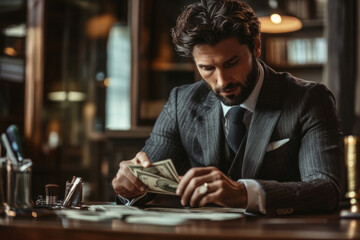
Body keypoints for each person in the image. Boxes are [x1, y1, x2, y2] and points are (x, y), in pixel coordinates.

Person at [112, 0, 345, 216]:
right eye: (207, 68)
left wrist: (244, 193)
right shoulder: (180, 102)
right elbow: (144, 180)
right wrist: (130, 187)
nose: (222, 81)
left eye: (231, 63)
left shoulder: (309, 99)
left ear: (256, 46)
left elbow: (327, 189)